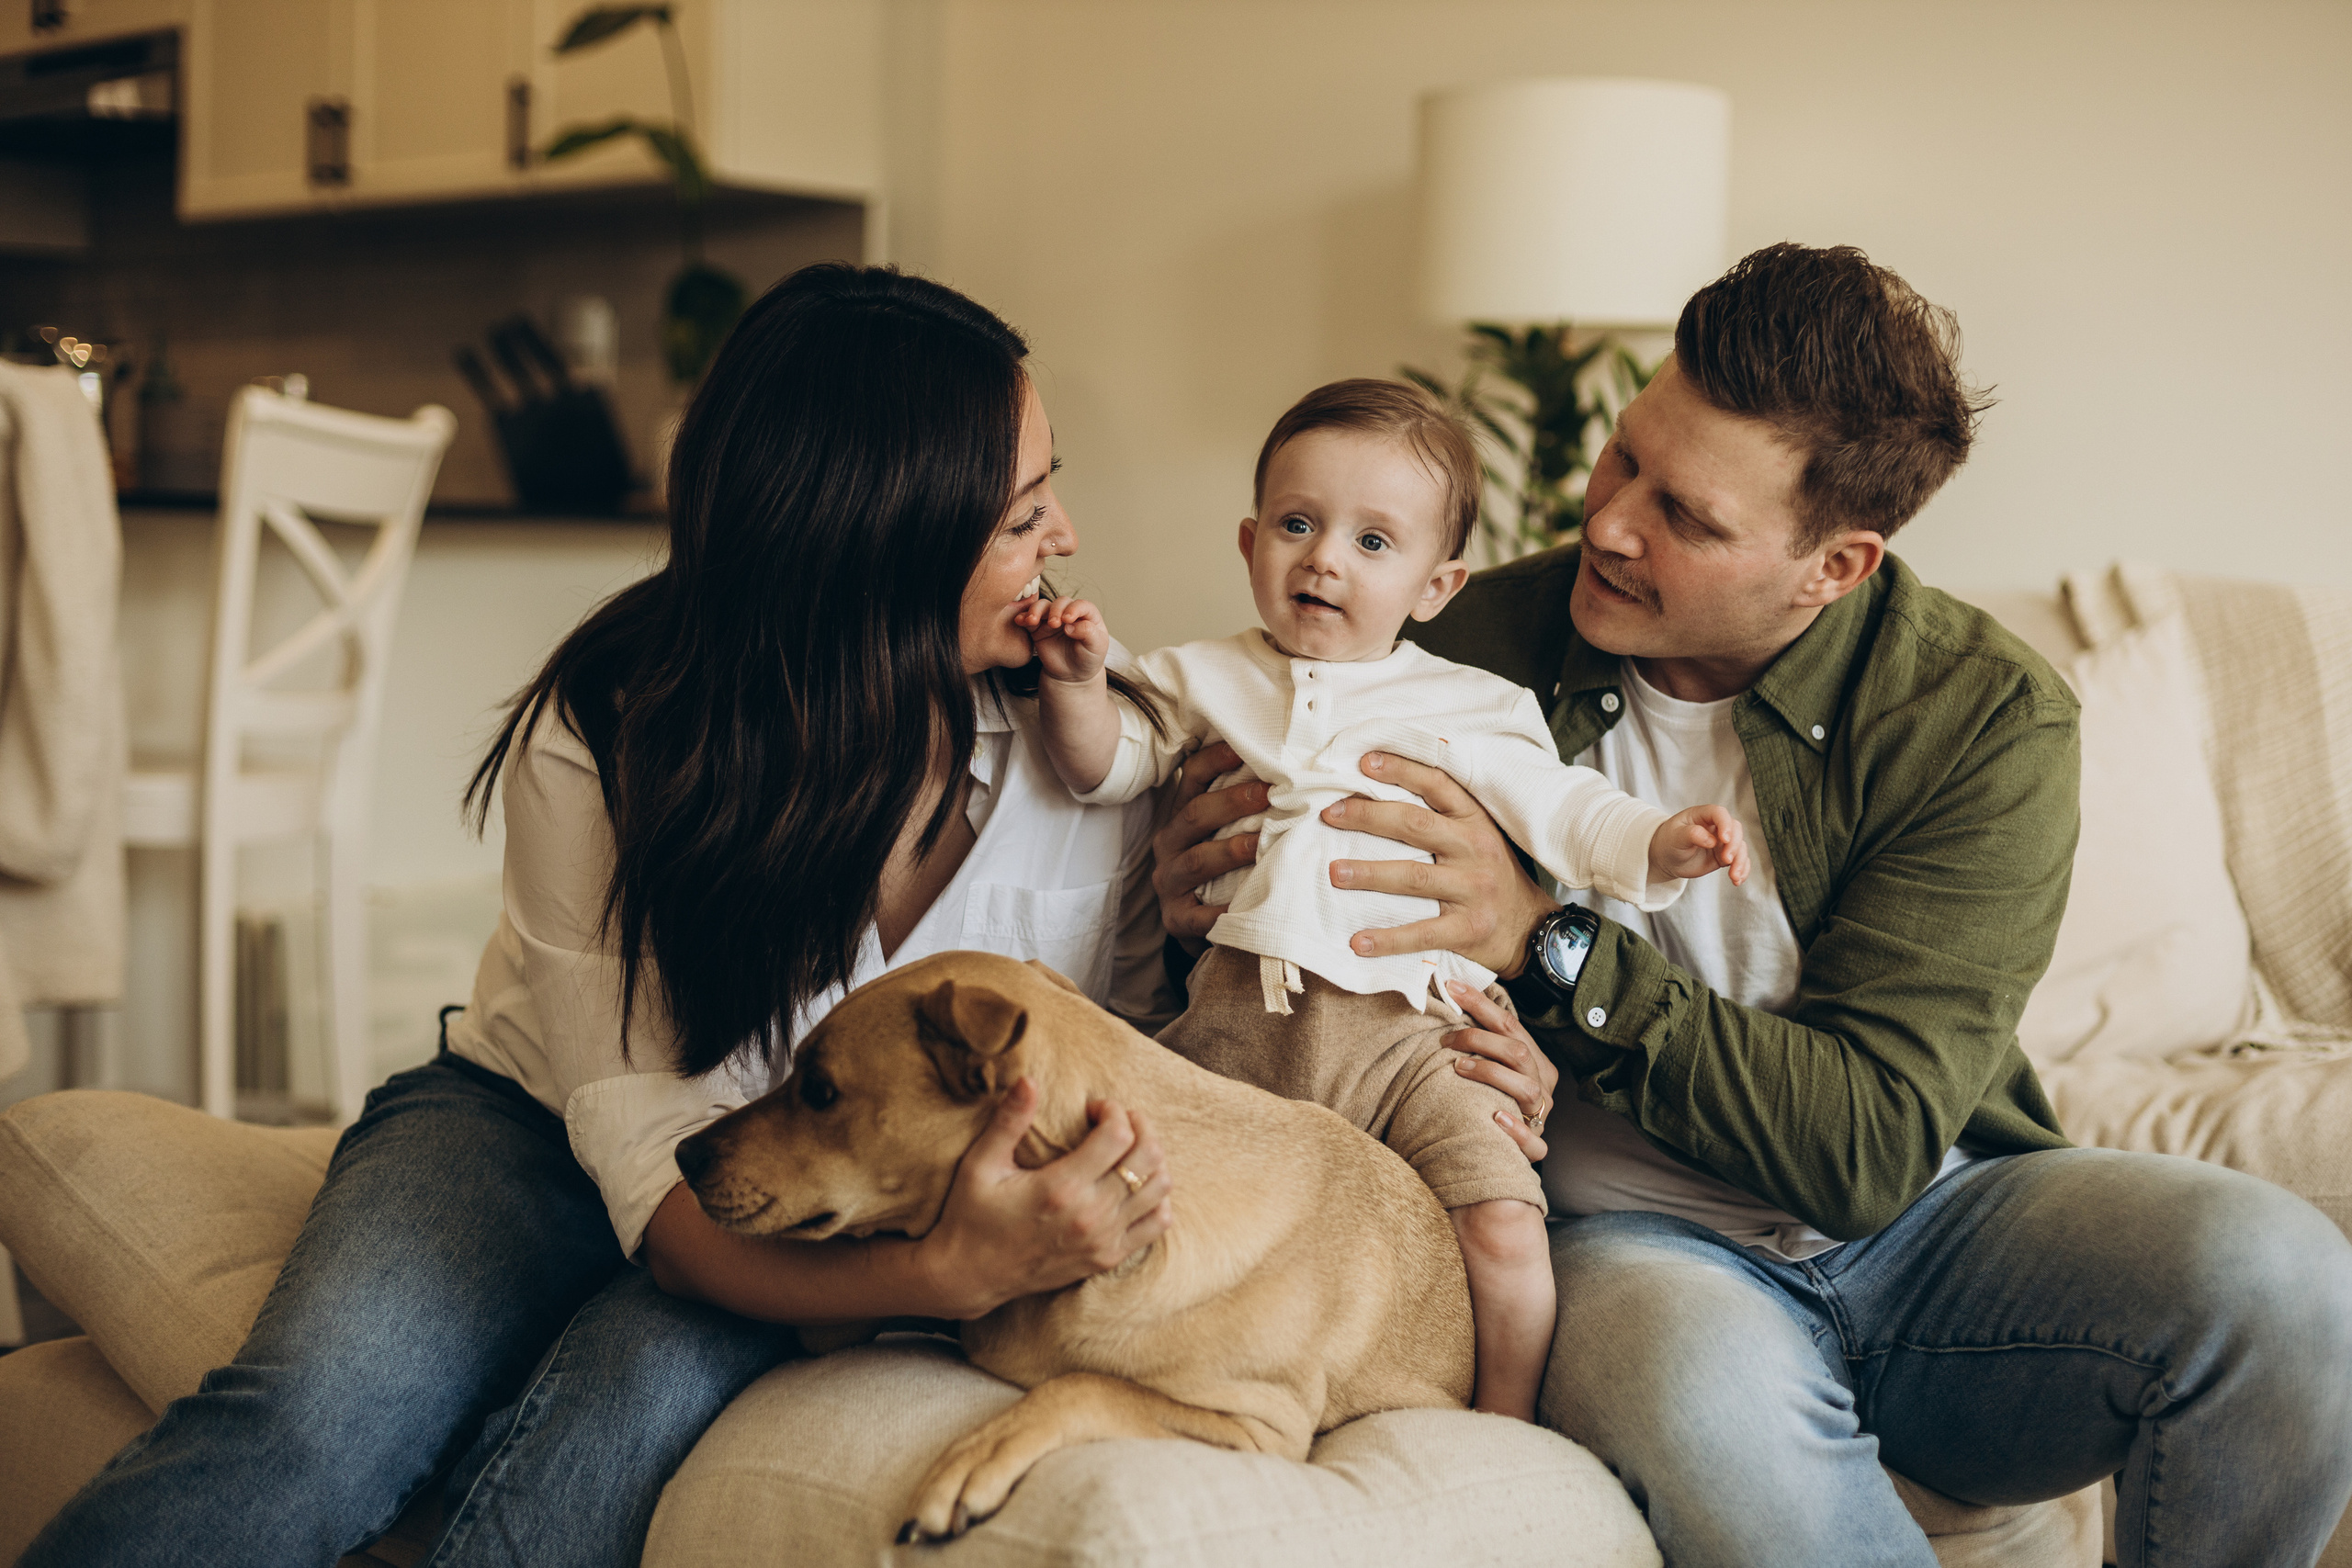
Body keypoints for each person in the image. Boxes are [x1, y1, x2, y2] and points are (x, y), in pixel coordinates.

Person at [1152, 243, 2352, 1566]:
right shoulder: (1454, 640)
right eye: (1624, 462)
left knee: (2288, 1275)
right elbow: (1266, 945)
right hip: (1622, 1242)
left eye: (1688, 516)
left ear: (1834, 564)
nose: (1608, 521)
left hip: (1931, 1232)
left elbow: (1869, 1144)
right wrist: (1180, 895)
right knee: (1708, 1399)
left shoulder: (1982, 715)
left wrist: (1547, 940)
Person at [26, 264, 1184, 1568]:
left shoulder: (1097, 738)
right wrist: (939, 1277)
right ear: (882, 535)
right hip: (529, 1130)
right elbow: (666, 1201)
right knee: (309, 1422)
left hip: (812, 1187)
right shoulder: (609, 735)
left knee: (593, 1448)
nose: (1067, 535)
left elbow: (1146, 1024)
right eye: (1024, 511)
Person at [1020, 378, 1746, 1419]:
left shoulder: (1469, 704)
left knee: (1501, 1219)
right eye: (1298, 524)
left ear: (1435, 586)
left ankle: (1503, 1423)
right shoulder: (1201, 675)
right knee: (1138, 1193)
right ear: (1248, 540)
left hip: (1412, 1037)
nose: (1322, 557)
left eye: (1372, 543)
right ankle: (1156, 1368)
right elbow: (1109, 767)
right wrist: (1080, 684)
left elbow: (1567, 811)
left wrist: (1662, 843)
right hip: (1237, 1019)